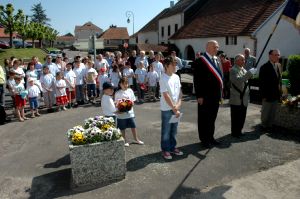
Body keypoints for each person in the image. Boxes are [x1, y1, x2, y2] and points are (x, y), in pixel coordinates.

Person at [194, 40, 223, 148]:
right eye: (215, 47)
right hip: (205, 96)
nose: (217, 48)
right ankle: (204, 140)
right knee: (203, 119)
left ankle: (211, 137)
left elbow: (219, 78)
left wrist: (220, 94)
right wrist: (199, 96)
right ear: (208, 48)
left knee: (212, 118)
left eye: (217, 47)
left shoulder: (217, 60)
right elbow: (197, 80)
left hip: (215, 96)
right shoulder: (200, 61)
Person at [159, 56, 183, 160]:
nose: (175, 66)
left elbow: (180, 93)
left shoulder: (176, 77)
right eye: (173, 64)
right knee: (166, 131)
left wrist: (178, 105)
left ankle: (172, 147)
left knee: (174, 130)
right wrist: (174, 108)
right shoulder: (163, 78)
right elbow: (166, 95)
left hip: (176, 108)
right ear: (166, 66)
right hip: (167, 109)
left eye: (175, 64)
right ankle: (165, 150)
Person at [115, 77, 144, 147]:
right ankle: (124, 140)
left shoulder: (130, 91)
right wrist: (122, 108)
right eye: (123, 84)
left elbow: (133, 101)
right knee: (122, 128)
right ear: (120, 84)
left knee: (133, 126)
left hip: (130, 113)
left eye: (126, 83)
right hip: (121, 114)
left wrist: (129, 105)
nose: (125, 85)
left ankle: (136, 139)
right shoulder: (117, 93)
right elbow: (117, 103)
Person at [229, 54, 253, 137]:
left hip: (244, 98)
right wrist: (248, 74)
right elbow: (237, 80)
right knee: (235, 117)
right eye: (242, 60)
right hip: (236, 98)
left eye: (244, 60)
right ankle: (235, 132)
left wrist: (251, 74)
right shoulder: (233, 70)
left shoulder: (244, 70)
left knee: (242, 116)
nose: (244, 61)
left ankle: (239, 130)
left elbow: (246, 80)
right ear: (236, 61)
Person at [259, 49, 282, 131]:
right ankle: (263, 126)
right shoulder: (264, 67)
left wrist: (280, 93)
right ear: (270, 56)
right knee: (266, 112)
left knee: (272, 112)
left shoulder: (279, 65)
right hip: (267, 95)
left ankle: (270, 125)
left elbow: (279, 80)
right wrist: (263, 95)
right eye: (275, 55)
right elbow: (262, 83)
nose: (277, 56)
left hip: (276, 94)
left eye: (278, 55)